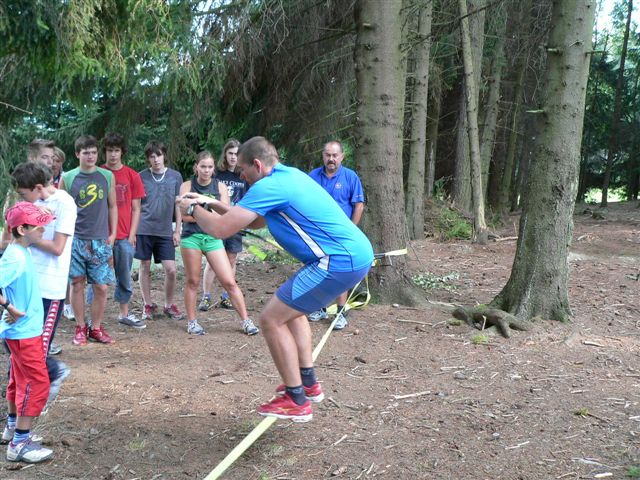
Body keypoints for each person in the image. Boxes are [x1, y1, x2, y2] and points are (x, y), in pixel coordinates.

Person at [177, 137, 373, 422]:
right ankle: (307, 383)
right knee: (292, 312)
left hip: (337, 261)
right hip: (352, 255)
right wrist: (210, 202)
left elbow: (220, 230)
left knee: (270, 319)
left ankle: (295, 399)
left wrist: (191, 209)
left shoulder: (269, 186)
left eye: (243, 170)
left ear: (257, 165)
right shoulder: (288, 175)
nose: (241, 176)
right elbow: (254, 220)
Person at [11, 162, 76, 407]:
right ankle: (17, 408)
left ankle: (52, 374)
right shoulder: (28, 204)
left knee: (36, 350)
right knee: (14, 343)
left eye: (23, 193)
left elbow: (58, 248)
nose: (21, 199)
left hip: (49, 287)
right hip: (24, 284)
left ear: (38, 188)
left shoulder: (64, 203)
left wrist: (25, 237)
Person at [180, 150, 258, 336]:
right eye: (203, 166)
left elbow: (224, 214)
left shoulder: (220, 186)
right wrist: (209, 216)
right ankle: (192, 322)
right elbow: (184, 215)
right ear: (196, 167)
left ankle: (246, 321)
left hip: (213, 237)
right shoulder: (187, 186)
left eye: (210, 167)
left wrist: (198, 213)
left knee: (229, 281)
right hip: (192, 237)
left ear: (214, 168)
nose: (206, 170)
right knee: (193, 280)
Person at [0, 201, 55, 463]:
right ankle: (19, 444)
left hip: (23, 332)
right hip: (24, 333)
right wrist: (9, 306)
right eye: (38, 226)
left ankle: (13, 427)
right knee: (37, 382)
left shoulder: (19, 252)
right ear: (22, 229)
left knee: (20, 379)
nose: (43, 229)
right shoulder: (14, 258)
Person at [59, 135, 117, 345]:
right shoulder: (68, 178)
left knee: (101, 286)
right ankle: (80, 327)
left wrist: (113, 233)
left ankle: (96, 328)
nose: (90, 156)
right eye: (86, 153)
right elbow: (60, 207)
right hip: (76, 239)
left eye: (93, 152)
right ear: (78, 154)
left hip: (100, 240)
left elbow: (112, 205)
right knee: (77, 284)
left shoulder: (107, 176)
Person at [307, 140, 365, 330]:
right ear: (322, 156)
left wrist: (352, 230)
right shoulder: (313, 176)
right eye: (327, 155)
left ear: (342, 156)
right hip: (317, 234)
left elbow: (359, 205)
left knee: (341, 271)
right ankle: (320, 307)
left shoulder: (350, 177)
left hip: (342, 234)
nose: (331, 159)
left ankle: (340, 313)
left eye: (334, 155)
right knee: (317, 269)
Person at [94, 133, 146, 329]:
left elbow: (136, 208)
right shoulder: (98, 174)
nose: (113, 154)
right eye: (109, 150)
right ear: (104, 152)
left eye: (116, 150)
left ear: (122, 152)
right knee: (97, 277)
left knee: (124, 276)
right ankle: (93, 318)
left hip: (125, 236)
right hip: (101, 235)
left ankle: (124, 313)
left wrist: (132, 235)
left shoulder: (132, 175)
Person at [135, 141, 184, 321]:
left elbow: (178, 205)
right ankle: (147, 304)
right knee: (144, 266)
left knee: (171, 269)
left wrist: (177, 230)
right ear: (148, 158)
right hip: (144, 228)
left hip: (165, 230)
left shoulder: (175, 176)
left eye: (159, 155)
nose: (156, 159)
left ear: (164, 155)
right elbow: (136, 206)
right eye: (152, 156)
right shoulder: (141, 176)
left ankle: (168, 305)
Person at [198, 139, 247, 312]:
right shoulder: (217, 173)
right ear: (225, 154)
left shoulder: (244, 174)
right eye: (230, 153)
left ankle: (226, 297)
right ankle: (206, 296)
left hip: (237, 222)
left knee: (231, 259)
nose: (233, 157)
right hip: (218, 222)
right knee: (213, 260)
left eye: (236, 154)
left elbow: (249, 197)